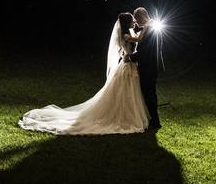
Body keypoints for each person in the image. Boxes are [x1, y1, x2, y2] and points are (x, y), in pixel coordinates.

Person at [17, 13, 150, 135]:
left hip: (131, 66)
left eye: (134, 19)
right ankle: (122, 116)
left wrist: (145, 29)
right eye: (132, 19)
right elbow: (138, 40)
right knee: (124, 93)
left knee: (130, 93)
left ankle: (128, 115)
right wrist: (146, 28)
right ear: (127, 23)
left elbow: (137, 39)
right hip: (126, 66)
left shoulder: (131, 31)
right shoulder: (126, 35)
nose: (134, 21)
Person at [132, 6, 161, 130]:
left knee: (148, 93)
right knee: (151, 93)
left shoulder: (150, 28)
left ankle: (155, 121)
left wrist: (131, 57)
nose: (137, 23)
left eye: (137, 20)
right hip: (151, 66)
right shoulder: (150, 26)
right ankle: (154, 119)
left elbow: (145, 51)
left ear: (141, 16)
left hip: (148, 67)